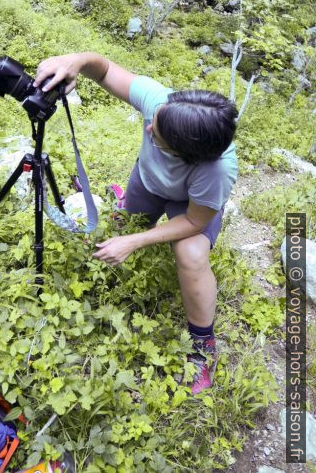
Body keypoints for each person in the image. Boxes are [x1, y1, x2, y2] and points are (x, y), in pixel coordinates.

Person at [34, 52, 239, 395]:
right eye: (153, 120)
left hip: (188, 203)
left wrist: (136, 241)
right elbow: (105, 69)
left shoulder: (215, 171)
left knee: (190, 254)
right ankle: (126, 208)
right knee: (124, 224)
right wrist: (75, 62)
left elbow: (193, 220)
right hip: (145, 181)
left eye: (156, 134)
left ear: (186, 153)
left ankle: (203, 346)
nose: (148, 128)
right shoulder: (161, 101)